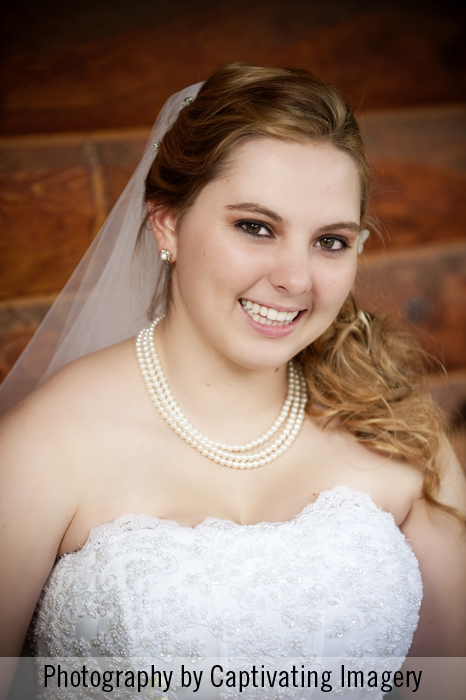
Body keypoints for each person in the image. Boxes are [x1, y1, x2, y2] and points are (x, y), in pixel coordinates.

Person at [0, 63, 465, 699]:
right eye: (255, 227)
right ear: (167, 222)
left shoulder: (401, 435)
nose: (296, 280)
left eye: (330, 241)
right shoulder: (43, 447)